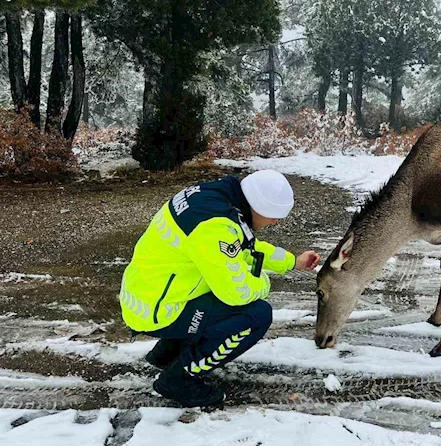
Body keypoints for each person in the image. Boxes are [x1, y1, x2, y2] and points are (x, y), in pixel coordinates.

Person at [119, 170, 320, 407]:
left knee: (216, 285)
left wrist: (292, 262)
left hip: (148, 295)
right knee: (255, 315)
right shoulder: (215, 227)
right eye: (274, 216)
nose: (276, 222)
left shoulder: (215, 200)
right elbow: (236, 292)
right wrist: (263, 283)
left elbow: (245, 248)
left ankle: (167, 354)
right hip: (159, 311)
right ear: (260, 208)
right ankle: (180, 378)